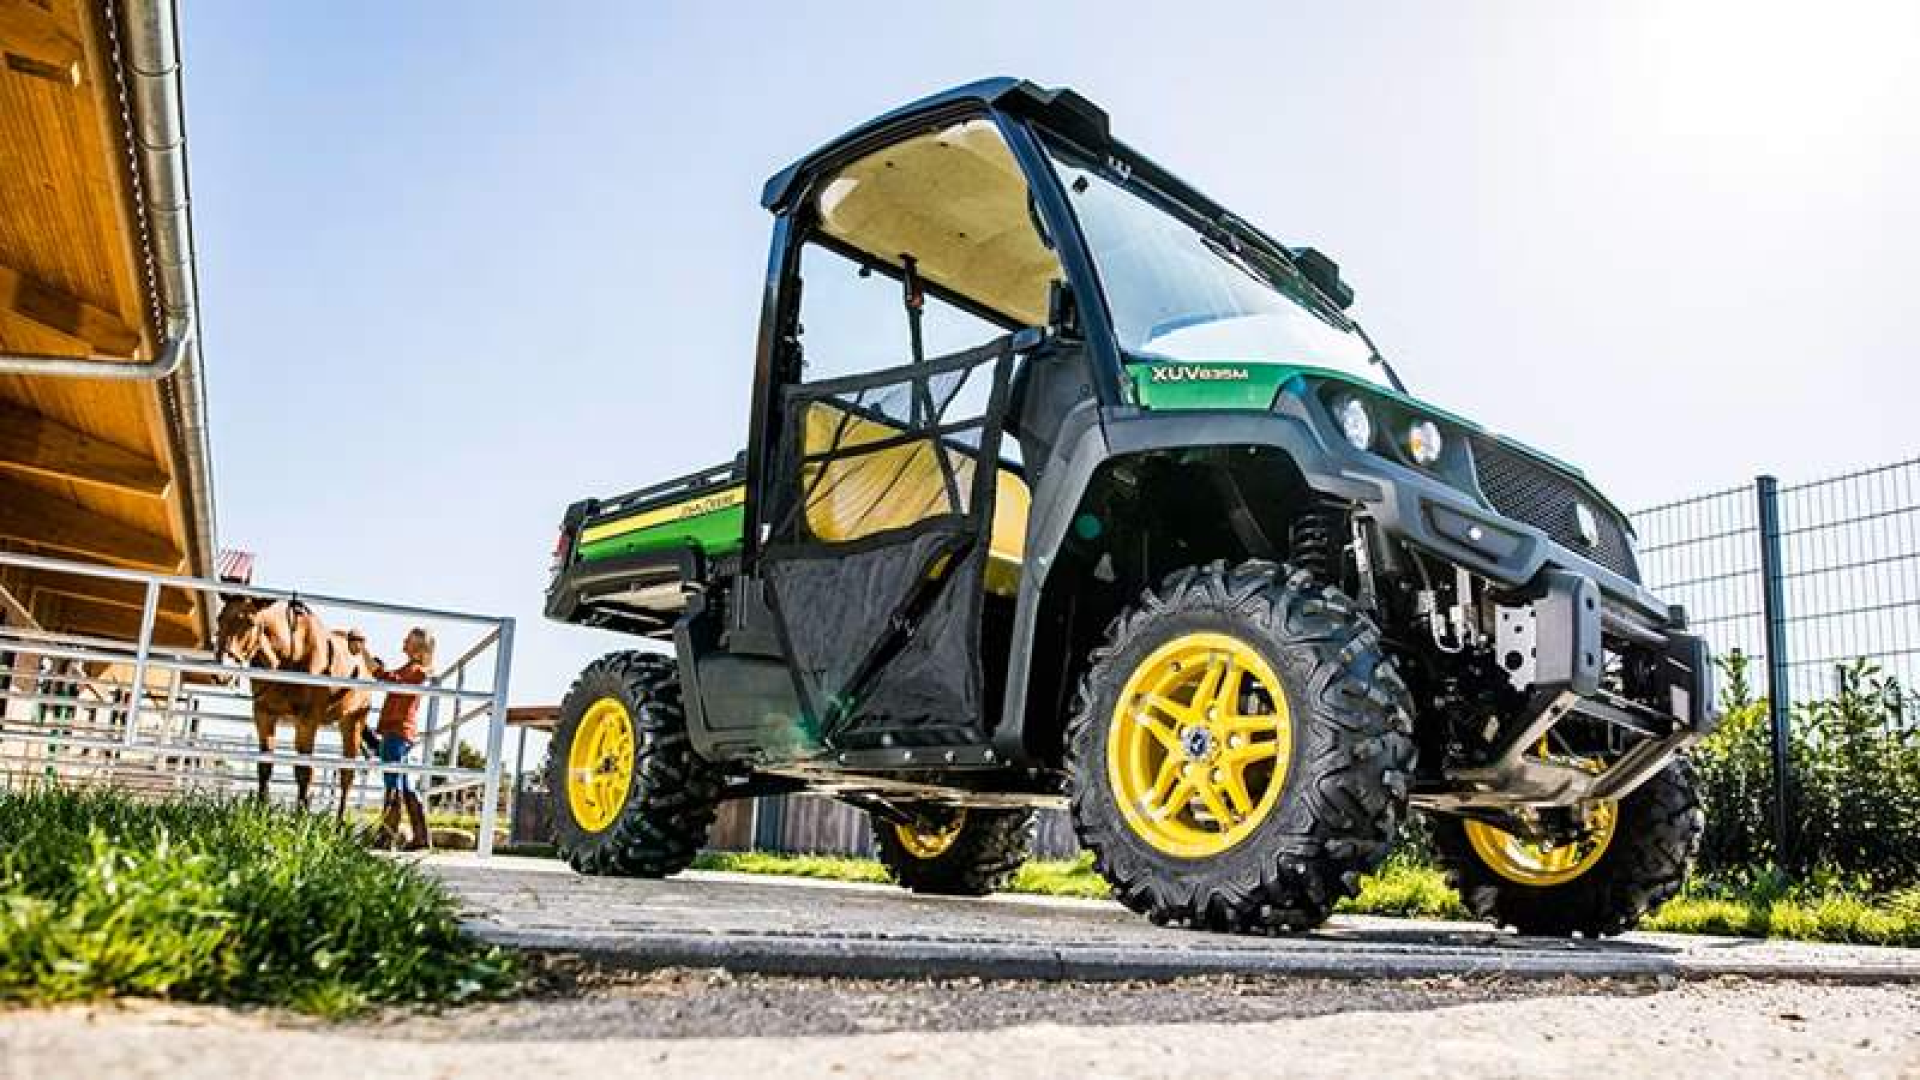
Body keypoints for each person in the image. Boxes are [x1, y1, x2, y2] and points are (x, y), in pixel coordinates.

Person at [372, 627, 434, 851]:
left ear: (418, 648)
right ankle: (421, 837)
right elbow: (394, 678)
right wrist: (378, 669)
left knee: (392, 782)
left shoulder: (417, 671)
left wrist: (377, 670)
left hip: (397, 731)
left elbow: (394, 681)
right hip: (400, 732)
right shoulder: (412, 669)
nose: (404, 641)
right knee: (404, 784)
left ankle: (388, 835)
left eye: (408, 640)